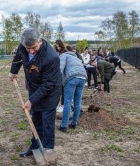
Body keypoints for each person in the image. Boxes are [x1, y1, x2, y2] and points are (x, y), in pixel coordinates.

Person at [9, 28, 61, 157]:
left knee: (47, 122)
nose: (31, 51)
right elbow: (18, 57)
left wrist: (31, 101)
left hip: (50, 92)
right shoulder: (23, 46)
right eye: (28, 48)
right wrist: (13, 71)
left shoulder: (51, 57)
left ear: (40, 41)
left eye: (34, 47)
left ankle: (48, 150)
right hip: (34, 88)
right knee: (35, 118)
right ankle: (35, 147)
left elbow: (48, 84)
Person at [57, 44, 87, 132]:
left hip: (71, 78)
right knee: (77, 101)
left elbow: (60, 68)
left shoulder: (64, 56)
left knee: (67, 101)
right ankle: (74, 123)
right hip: (83, 78)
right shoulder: (76, 58)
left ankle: (64, 125)